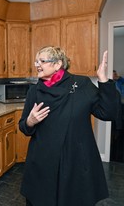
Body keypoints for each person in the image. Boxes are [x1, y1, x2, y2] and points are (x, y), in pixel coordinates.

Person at [19, 46, 121, 206]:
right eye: (36, 61)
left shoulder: (81, 84)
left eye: (42, 61)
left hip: (75, 160)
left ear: (58, 64)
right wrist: (30, 121)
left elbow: (108, 113)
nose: (37, 64)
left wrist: (103, 80)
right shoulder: (34, 91)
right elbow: (23, 127)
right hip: (43, 161)